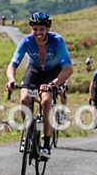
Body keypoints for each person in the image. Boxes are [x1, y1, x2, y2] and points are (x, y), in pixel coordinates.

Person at [6, 12, 74, 159]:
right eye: (35, 29)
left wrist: (52, 84)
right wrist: (11, 79)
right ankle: (28, 132)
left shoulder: (57, 41)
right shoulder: (26, 41)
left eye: (41, 29)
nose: (38, 33)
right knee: (24, 100)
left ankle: (46, 143)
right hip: (35, 70)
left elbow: (68, 69)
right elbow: (13, 64)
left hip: (52, 72)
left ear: (47, 29)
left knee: (46, 101)